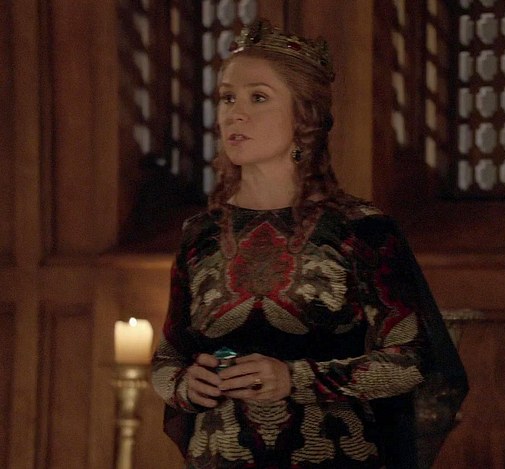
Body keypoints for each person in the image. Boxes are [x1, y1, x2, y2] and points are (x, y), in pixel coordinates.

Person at [151, 18, 468, 469]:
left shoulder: (360, 229)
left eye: (259, 97)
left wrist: (295, 379)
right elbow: (168, 355)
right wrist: (186, 384)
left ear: (305, 116)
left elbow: (412, 360)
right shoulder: (199, 234)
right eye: (227, 97)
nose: (234, 113)